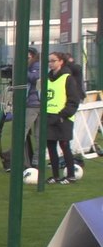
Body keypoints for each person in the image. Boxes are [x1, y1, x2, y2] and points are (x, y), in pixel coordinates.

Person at [45, 51, 85, 184]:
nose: (51, 63)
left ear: (61, 62)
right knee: (50, 145)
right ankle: (55, 176)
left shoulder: (67, 78)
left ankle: (70, 176)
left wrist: (63, 115)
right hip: (49, 116)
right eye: (49, 61)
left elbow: (74, 100)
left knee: (64, 145)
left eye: (53, 60)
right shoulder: (46, 78)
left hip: (63, 117)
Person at [23, 47, 41, 165]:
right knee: (37, 134)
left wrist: (23, 70)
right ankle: (31, 161)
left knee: (24, 132)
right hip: (33, 102)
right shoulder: (33, 65)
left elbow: (34, 78)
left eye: (28, 57)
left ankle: (32, 161)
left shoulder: (36, 65)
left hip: (34, 103)